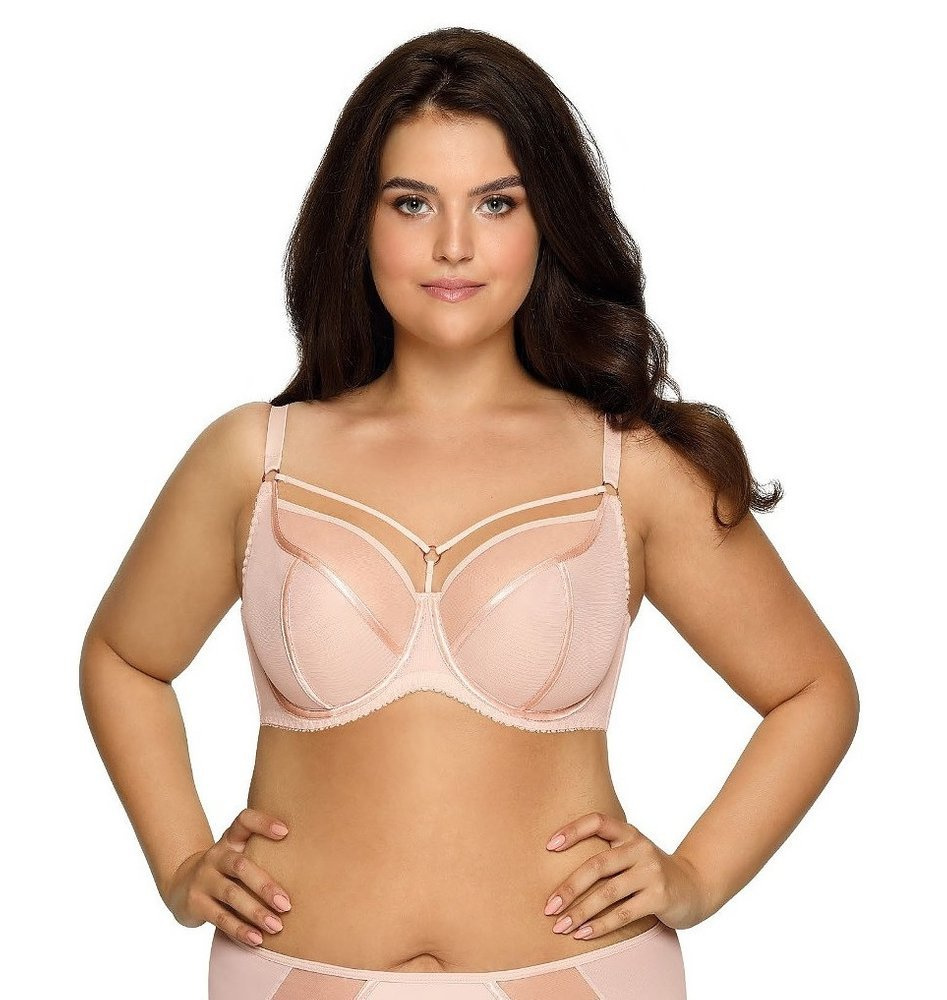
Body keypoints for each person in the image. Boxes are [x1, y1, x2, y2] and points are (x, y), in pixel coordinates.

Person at [79, 26, 860, 1000]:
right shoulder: (254, 459)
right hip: (290, 972)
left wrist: (697, 874)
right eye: (412, 203)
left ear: (547, 221)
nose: (453, 244)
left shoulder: (629, 468)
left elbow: (810, 689)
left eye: (496, 203)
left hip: (582, 974)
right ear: (358, 222)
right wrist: (178, 860)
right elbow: (124, 658)